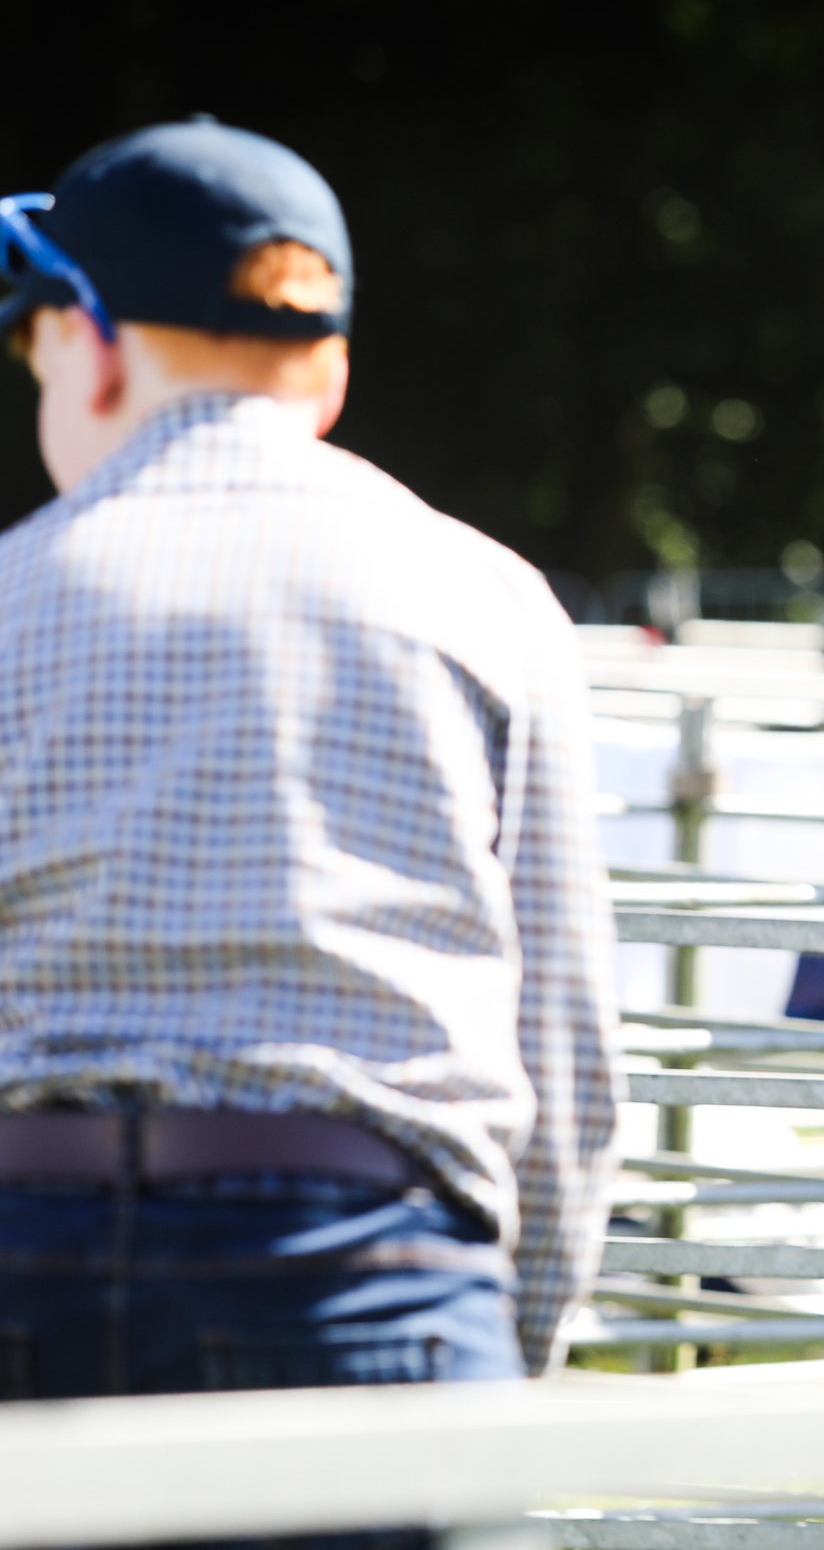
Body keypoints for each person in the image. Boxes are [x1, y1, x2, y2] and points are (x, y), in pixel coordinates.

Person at [0, 119, 621, 1432]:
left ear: (93, 346)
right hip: (368, 1275)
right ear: (324, 376)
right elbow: (565, 1050)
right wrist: (503, 1355)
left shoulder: (12, 594)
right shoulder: (489, 600)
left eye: (28, 332)